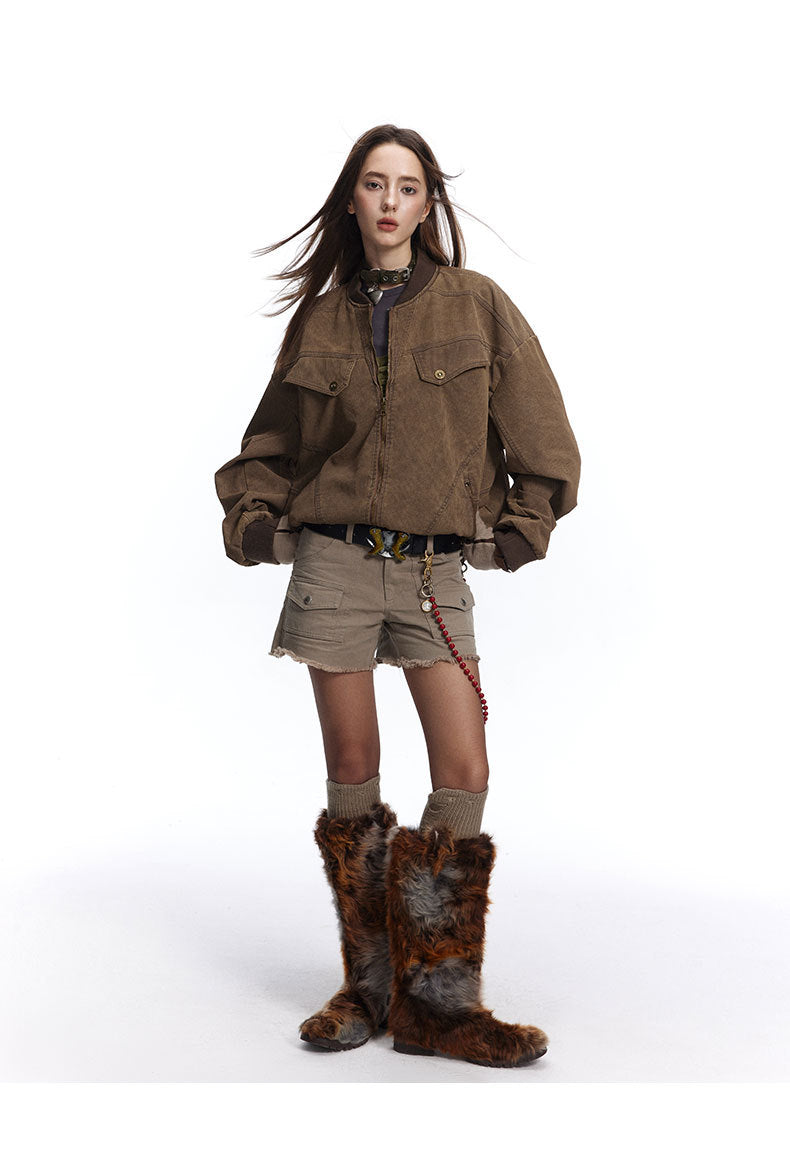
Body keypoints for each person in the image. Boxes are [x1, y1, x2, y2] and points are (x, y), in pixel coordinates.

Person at [215, 124, 581, 1068]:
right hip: (333, 564)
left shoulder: (476, 304)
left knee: (464, 768)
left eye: (407, 186)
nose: (389, 201)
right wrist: (253, 517)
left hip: (431, 572)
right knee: (352, 766)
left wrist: (523, 525)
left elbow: (544, 436)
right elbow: (269, 444)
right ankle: (370, 988)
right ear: (353, 198)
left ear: (427, 203)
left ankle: (438, 1003)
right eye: (374, 184)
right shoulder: (321, 321)